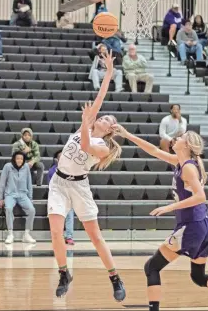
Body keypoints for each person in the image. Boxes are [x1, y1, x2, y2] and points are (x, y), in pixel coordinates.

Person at [112, 126, 208, 311]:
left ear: (187, 145)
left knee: (151, 267)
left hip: (191, 225)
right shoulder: (183, 162)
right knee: (198, 276)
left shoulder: (188, 168)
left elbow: (200, 196)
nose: (175, 139)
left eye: (180, 137)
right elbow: (154, 150)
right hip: (202, 225)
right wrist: (127, 134)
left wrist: (169, 207)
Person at [47, 51, 126, 300]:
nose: (100, 117)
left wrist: (84, 123)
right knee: (56, 232)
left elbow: (84, 146)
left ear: (110, 129)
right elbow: (100, 97)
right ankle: (63, 273)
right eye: (100, 116)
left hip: (79, 188)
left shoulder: (103, 147)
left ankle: (115, 277)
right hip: (59, 182)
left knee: (95, 236)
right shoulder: (90, 123)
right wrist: (110, 72)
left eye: (106, 119)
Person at [0, 151, 36, 244]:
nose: (19, 160)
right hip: (10, 194)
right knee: (9, 208)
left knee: (32, 210)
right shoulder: (7, 166)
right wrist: (0, 198)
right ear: (14, 159)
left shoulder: (26, 167)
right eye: (18, 158)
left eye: (21, 159)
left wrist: (30, 198)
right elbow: (2, 183)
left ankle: (27, 234)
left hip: (23, 194)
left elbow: (29, 183)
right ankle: (10, 234)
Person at [48, 150, 74, 245]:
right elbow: (51, 186)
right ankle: (59, 237)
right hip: (57, 198)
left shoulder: (70, 169)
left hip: (68, 196)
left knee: (69, 217)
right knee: (58, 218)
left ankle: (69, 236)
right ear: (56, 159)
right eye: (60, 157)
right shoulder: (52, 171)